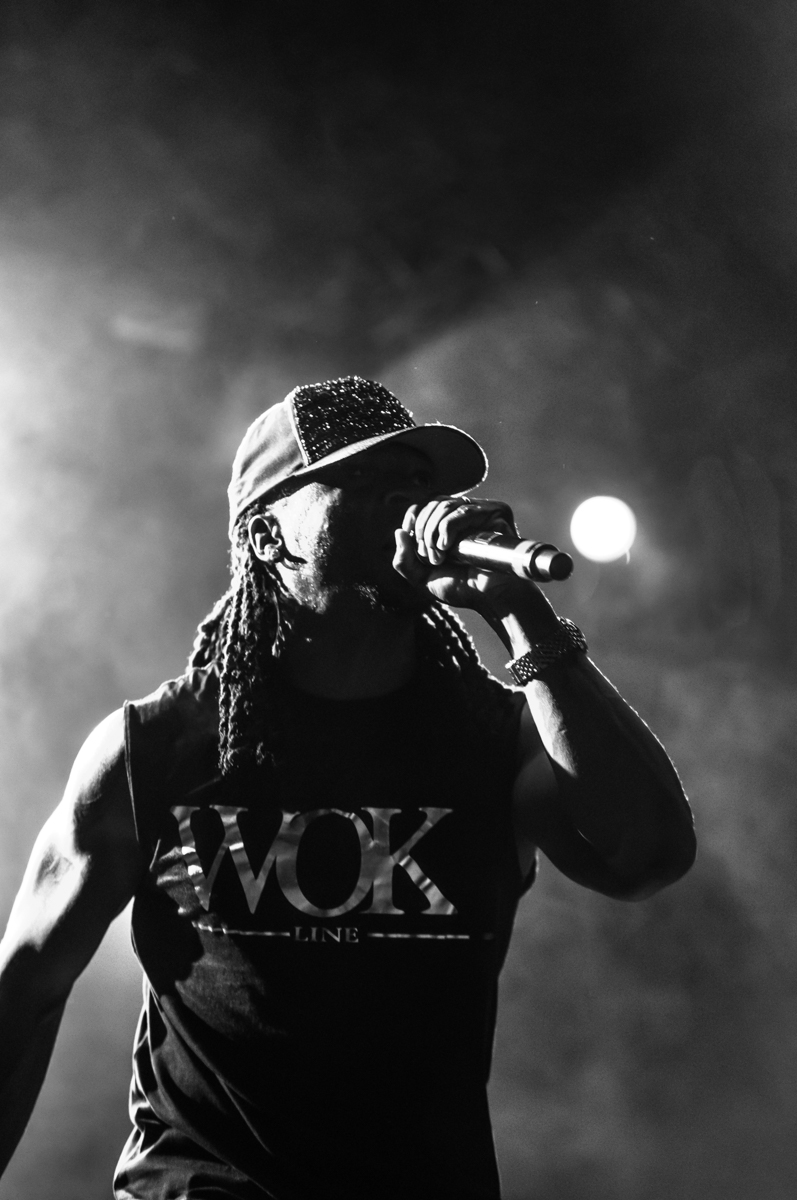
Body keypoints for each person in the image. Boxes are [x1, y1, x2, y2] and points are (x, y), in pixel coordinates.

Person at [0, 376, 695, 1199]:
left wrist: (523, 619)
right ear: (268, 536)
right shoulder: (151, 749)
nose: (406, 501)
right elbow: (26, 988)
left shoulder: (495, 740)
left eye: (417, 480)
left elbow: (648, 857)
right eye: (361, 478)